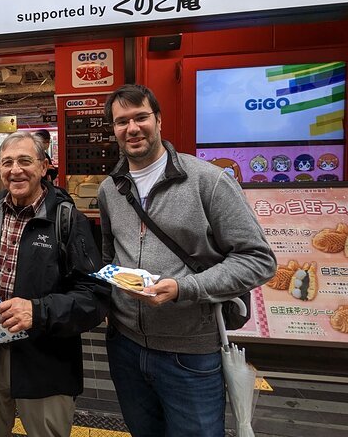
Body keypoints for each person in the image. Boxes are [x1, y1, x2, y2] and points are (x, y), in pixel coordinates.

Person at [97, 84, 276, 436]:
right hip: (125, 346)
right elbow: (110, 255)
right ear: (113, 130)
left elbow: (258, 259)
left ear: (159, 120)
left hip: (190, 352)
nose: (132, 128)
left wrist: (185, 288)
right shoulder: (110, 189)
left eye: (141, 117)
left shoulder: (208, 181)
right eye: (121, 122)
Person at [0, 131, 110, 437]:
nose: (15, 169)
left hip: (45, 361)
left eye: (24, 161)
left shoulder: (66, 219)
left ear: (44, 166)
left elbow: (95, 297)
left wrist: (38, 311)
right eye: (7, 162)